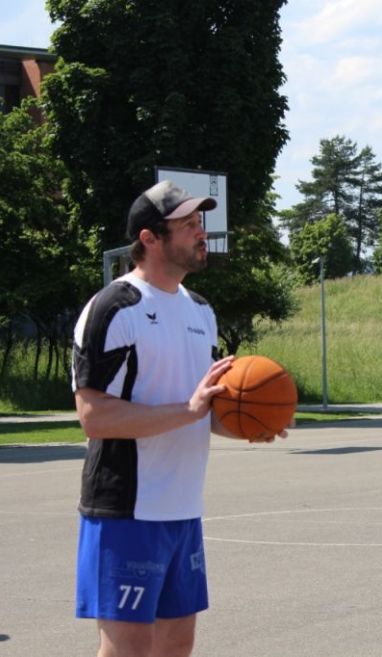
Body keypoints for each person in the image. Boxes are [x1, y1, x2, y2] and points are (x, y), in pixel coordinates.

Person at [71, 180, 285, 657]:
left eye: (199, 222)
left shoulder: (200, 311)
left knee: (176, 645)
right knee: (128, 648)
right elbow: (93, 416)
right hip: (127, 508)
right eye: (187, 224)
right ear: (149, 238)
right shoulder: (115, 307)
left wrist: (250, 424)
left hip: (182, 507)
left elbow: (203, 408)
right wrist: (188, 410)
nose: (200, 231)